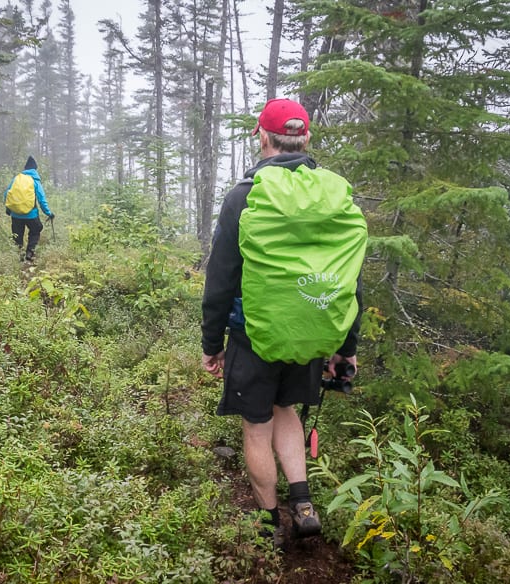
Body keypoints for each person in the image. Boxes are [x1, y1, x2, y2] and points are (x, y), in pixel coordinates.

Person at [201, 98, 363, 544]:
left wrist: (211, 343)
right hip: (312, 332)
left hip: (252, 334)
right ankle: (304, 502)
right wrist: (345, 348)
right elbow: (350, 279)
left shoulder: (245, 196)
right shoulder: (336, 193)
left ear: (263, 137)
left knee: (256, 426)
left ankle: (269, 522)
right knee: (286, 409)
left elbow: (220, 278)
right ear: (306, 138)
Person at [4, 156, 54, 262]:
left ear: (25, 168)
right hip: (31, 214)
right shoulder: (35, 181)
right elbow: (41, 200)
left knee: (17, 234)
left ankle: (19, 254)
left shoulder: (16, 179)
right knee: (36, 229)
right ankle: (30, 252)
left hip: (16, 214)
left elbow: (6, 194)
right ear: (35, 169)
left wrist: (8, 208)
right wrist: (49, 213)